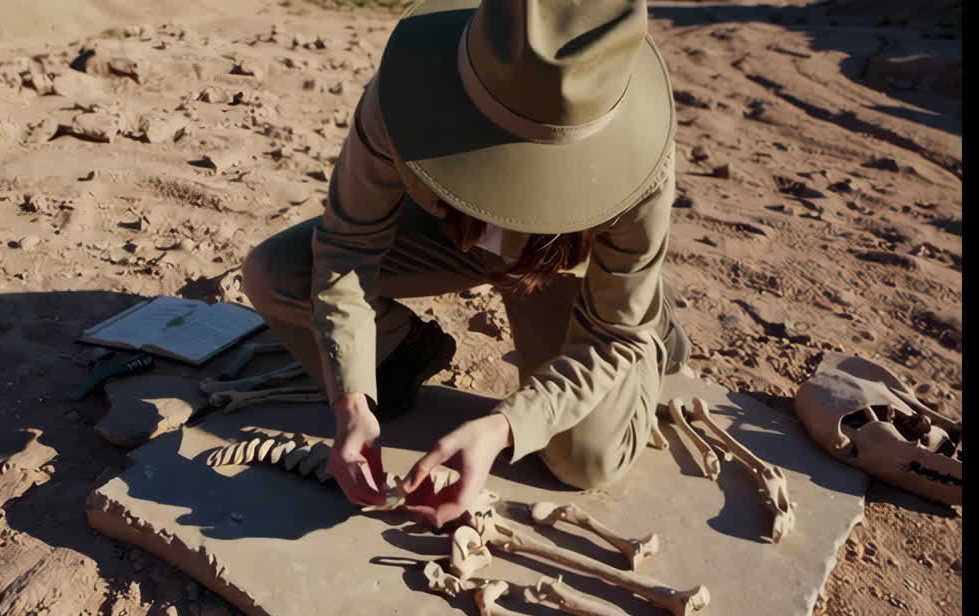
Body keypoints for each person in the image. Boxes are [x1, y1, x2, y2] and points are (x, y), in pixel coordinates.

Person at [241, 0, 689, 527]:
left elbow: (613, 335)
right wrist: (352, 400)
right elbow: (345, 250)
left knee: (584, 460)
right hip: (454, 229)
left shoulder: (640, 167)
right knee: (277, 274)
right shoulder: (404, 96)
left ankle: (653, 319)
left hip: (561, 266)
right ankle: (403, 354)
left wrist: (503, 427)